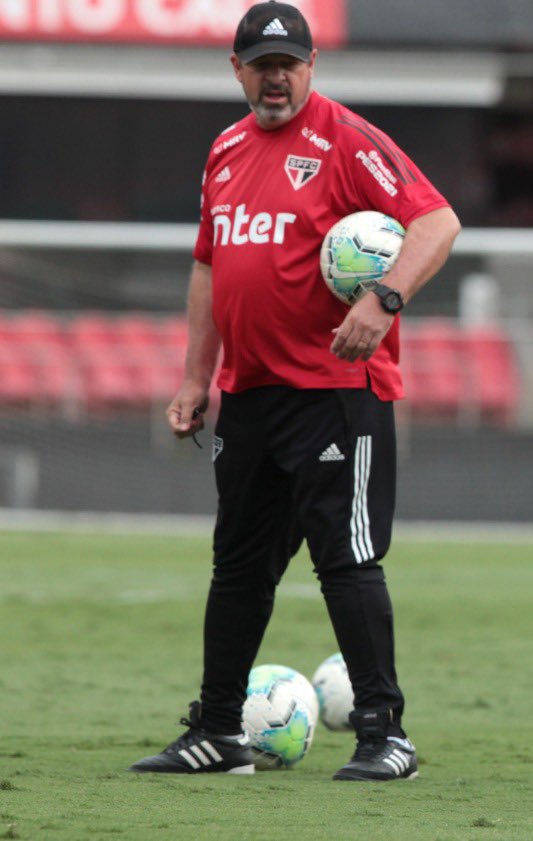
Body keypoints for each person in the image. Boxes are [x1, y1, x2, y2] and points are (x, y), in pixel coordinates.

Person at [129, 1, 460, 781]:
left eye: (290, 64)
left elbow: (437, 223)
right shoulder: (226, 148)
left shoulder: (348, 140)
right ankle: (217, 732)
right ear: (237, 69)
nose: (276, 77)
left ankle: (385, 735)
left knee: (345, 561)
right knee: (237, 567)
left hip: (334, 389)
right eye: (261, 64)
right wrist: (193, 378)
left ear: (311, 68)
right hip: (248, 393)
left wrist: (383, 300)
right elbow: (210, 265)